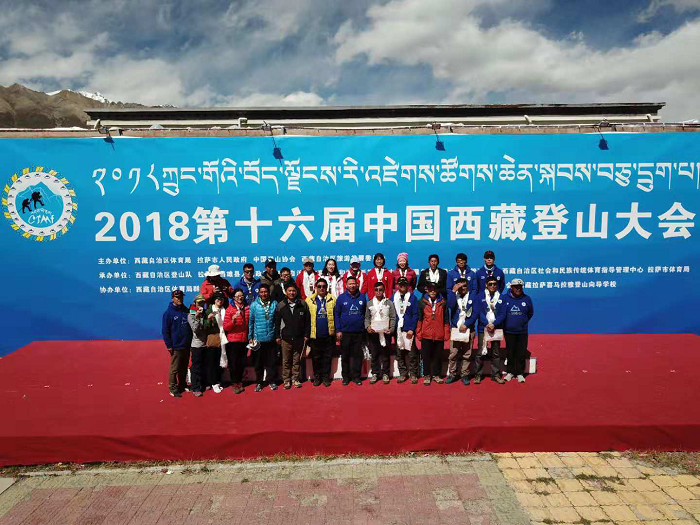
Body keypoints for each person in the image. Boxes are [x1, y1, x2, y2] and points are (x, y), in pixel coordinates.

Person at [275, 282, 310, 389]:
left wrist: (306, 334)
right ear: (286, 292)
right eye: (289, 291)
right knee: (286, 360)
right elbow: (277, 322)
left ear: (296, 292)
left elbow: (307, 321)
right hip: (285, 338)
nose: (291, 293)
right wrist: (277, 336)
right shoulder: (281, 305)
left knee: (296, 360)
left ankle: (295, 379)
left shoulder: (303, 304)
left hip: (299, 338)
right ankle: (286, 380)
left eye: (293, 291)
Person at [334, 275, 367, 385]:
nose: (352, 285)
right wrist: (338, 330)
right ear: (346, 285)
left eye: (354, 283)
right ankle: (346, 377)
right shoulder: (341, 298)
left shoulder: (362, 297)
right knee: (345, 356)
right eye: (350, 284)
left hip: (359, 332)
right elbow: (337, 315)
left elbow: (365, 314)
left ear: (357, 285)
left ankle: (356, 376)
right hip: (345, 332)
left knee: (357, 355)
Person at [446, 278, 479, 385]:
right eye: (460, 286)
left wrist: (467, 324)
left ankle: (464, 374)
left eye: (464, 286)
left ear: (467, 287)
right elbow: (450, 306)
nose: (462, 288)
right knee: (453, 354)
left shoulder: (473, 297)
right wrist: (453, 292)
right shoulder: (454, 296)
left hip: (468, 329)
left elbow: (475, 313)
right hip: (456, 329)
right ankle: (452, 374)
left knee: (467, 354)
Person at [416, 283, 450, 385]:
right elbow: (420, 318)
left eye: (435, 289)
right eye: (430, 289)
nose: (433, 291)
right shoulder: (422, 302)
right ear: (427, 290)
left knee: (438, 356)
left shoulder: (443, 302)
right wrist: (419, 332)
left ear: (437, 290)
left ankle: (436, 375)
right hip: (426, 334)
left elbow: (446, 319)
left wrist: (446, 332)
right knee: (426, 356)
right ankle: (427, 375)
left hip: (439, 334)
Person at [475, 276, 506, 384]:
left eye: (494, 284)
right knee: (480, 352)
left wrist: (494, 324)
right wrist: (487, 323)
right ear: (486, 285)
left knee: (496, 353)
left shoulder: (502, 297)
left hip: (496, 328)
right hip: (483, 328)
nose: (492, 286)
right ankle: (478, 374)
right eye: (490, 284)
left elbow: (503, 313)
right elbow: (478, 312)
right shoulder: (480, 296)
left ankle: (495, 374)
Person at [306, 278, 337, 387]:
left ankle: (326, 377)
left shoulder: (332, 299)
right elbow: (306, 319)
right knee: (316, 358)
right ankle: (317, 377)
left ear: (327, 288)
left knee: (327, 358)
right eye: (319, 286)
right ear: (316, 287)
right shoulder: (309, 300)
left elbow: (336, 316)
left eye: (324, 286)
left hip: (329, 335)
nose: (322, 288)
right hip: (315, 335)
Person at [161, 289, 192, 398]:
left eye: (181, 297)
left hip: (186, 344)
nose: (180, 299)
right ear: (172, 298)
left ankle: (182, 385)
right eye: (177, 297)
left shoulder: (185, 310)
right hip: (176, 346)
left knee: (184, 367)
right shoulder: (168, 313)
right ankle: (172, 388)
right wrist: (169, 345)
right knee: (175, 368)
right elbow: (165, 331)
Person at [248, 283, 279, 392]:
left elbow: (277, 321)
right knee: (258, 363)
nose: (264, 294)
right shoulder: (254, 305)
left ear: (268, 292)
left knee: (272, 362)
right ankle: (259, 382)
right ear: (259, 293)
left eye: (265, 292)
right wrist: (250, 336)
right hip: (258, 340)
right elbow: (251, 322)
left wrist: (277, 335)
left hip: (271, 338)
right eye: (261, 292)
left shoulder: (274, 303)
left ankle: (272, 381)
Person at [503, 278, 534, 383]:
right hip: (509, 331)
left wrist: (522, 322)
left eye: (520, 287)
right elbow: (501, 313)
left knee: (521, 352)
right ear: (511, 287)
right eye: (516, 287)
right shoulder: (505, 298)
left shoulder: (527, 299)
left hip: (522, 331)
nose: (518, 289)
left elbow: (530, 313)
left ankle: (520, 373)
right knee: (510, 352)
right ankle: (510, 372)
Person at [365, 282, 397, 384]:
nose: (378, 292)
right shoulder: (369, 303)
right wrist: (368, 327)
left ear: (384, 291)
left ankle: (385, 373)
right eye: (376, 290)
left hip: (385, 333)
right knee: (374, 354)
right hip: (373, 333)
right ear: (374, 291)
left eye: (380, 290)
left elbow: (393, 317)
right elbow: (367, 318)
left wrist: (391, 329)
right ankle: (375, 373)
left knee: (385, 354)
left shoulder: (389, 303)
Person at [392, 276, 419, 383]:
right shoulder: (393, 298)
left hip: (408, 330)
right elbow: (391, 314)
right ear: (398, 285)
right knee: (399, 353)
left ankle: (413, 374)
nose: (402, 286)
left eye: (404, 284)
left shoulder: (413, 298)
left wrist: (412, 329)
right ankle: (403, 373)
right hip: (398, 330)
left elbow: (415, 315)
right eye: (400, 284)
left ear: (408, 286)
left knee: (412, 354)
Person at [224, 289, 249, 394]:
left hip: (244, 340)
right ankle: (234, 383)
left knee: (242, 363)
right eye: (237, 296)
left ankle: (239, 381)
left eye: (241, 295)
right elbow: (226, 327)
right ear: (234, 298)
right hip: (233, 341)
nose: (240, 297)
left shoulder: (247, 308)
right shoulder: (229, 309)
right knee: (233, 363)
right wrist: (233, 321)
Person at [188, 294, 214, 397]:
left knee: (204, 365)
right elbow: (195, 329)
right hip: (196, 345)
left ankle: (203, 383)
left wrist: (210, 320)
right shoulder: (191, 314)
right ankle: (195, 387)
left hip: (205, 344)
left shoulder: (204, 313)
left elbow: (207, 327)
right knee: (196, 367)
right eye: (199, 303)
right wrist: (198, 318)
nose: (201, 305)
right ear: (195, 303)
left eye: (203, 303)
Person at [205, 292, 229, 393]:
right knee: (212, 362)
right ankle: (213, 382)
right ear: (214, 300)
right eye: (218, 299)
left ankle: (218, 381)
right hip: (214, 339)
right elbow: (204, 326)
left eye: (222, 299)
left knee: (221, 360)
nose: (220, 301)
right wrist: (209, 319)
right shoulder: (209, 310)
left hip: (223, 338)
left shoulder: (225, 310)